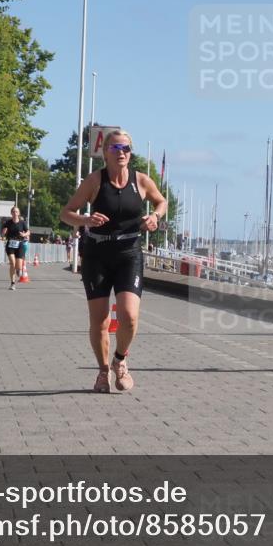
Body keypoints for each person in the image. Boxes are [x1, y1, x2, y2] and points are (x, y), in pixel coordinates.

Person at [61, 129, 166, 394]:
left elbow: (161, 202)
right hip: (97, 254)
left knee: (129, 316)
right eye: (116, 148)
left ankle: (120, 360)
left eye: (127, 148)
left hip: (129, 253)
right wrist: (85, 220)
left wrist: (155, 217)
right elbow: (66, 213)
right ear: (105, 152)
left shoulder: (141, 181)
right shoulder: (95, 181)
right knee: (100, 321)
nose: (122, 153)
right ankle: (103, 371)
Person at [2, 207, 30, 290]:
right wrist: (3, 232)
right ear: (11, 213)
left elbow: (28, 231)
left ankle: (18, 270)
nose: (15, 213)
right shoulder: (8, 222)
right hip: (10, 244)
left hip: (20, 244)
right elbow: (3, 233)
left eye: (16, 211)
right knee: (12, 263)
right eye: (13, 211)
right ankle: (12, 283)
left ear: (19, 213)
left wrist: (24, 235)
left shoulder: (22, 223)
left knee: (19, 266)